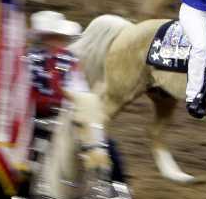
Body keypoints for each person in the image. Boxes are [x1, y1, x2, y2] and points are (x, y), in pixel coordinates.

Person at [26, 10, 129, 188]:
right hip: (35, 118)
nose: (60, 42)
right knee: (26, 158)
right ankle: (19, 196)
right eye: (56, 37)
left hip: (65, 116)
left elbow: (78, 87)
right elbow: (25, 91)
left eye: (62, 38)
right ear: (44, 38)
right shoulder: (29, 60)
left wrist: (82, 102)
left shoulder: (70, 61)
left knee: (103, 141)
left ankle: (117, 186)